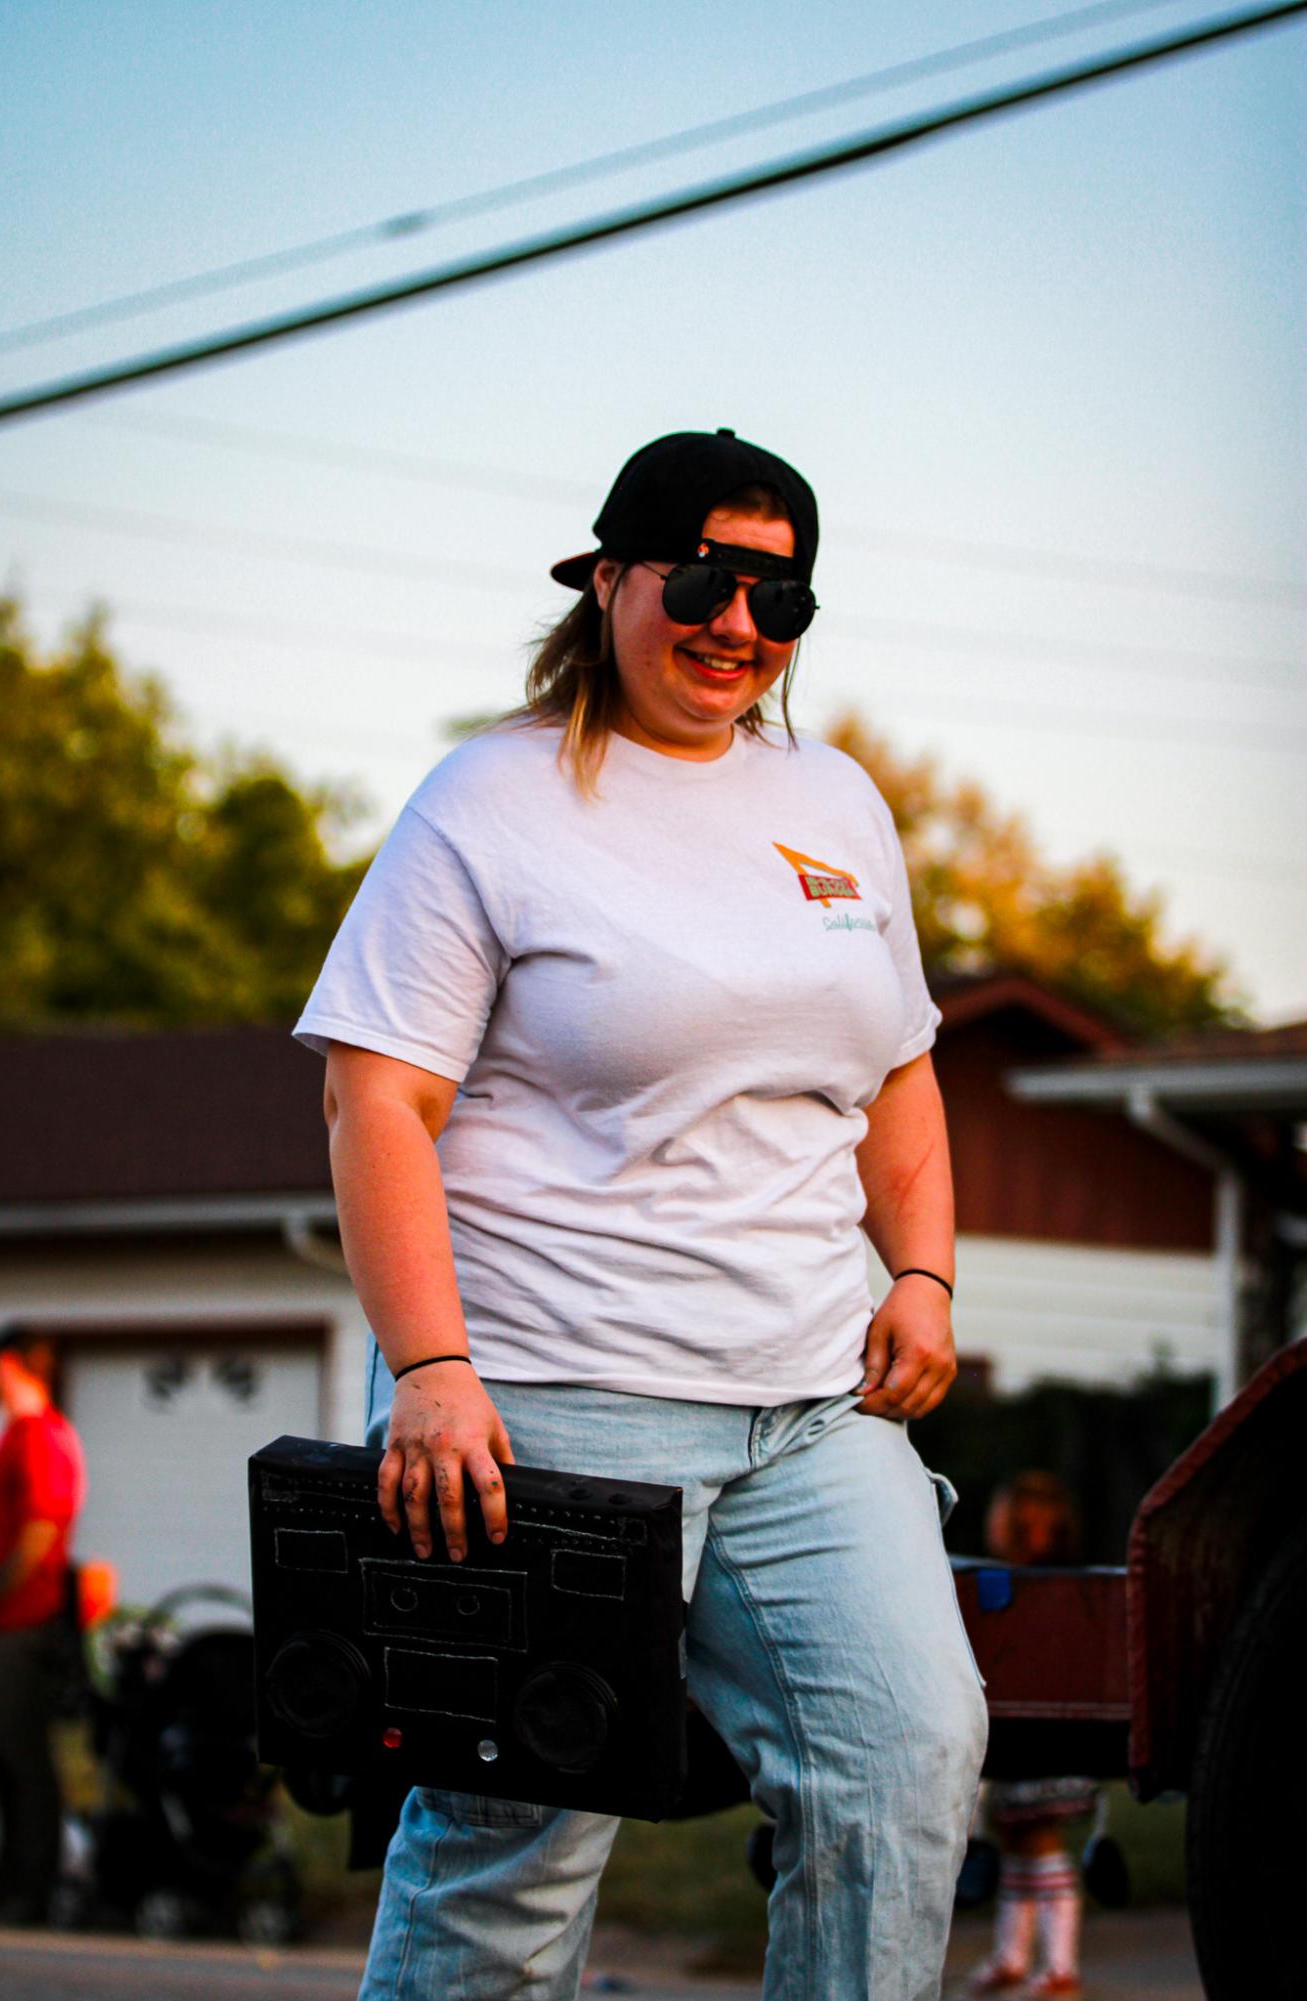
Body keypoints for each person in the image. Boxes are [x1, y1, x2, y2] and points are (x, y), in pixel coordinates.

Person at [295, 426, 988, 2000]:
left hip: (812, 1405)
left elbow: (896, 1076)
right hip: (546, 1401)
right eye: (701, 577)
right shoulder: (490, 798)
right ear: (609, 580)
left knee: (905, 1767)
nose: (736, 621)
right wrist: (431, 1372)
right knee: (511, 1856)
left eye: (777, 594)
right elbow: (376, 1102)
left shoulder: (837, 803)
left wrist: (927, 1274)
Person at [966, 1472, 1097, 2000]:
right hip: (1026, 1739)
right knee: (1018, 1847)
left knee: (1042, 1847)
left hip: (1047, 1744)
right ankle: (1012, 1955)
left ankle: (1060, 1964)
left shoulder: (1049, 1592)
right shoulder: (1043, 1587)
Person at [0, 1324, 87, 1924]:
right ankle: (5, 1879)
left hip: (19, 1623)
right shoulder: (12, 1437)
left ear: (11, 1366)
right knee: (1, 1754)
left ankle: (31, 1890)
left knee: (22, 1757)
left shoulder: (40, 1436)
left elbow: (41, 1532)